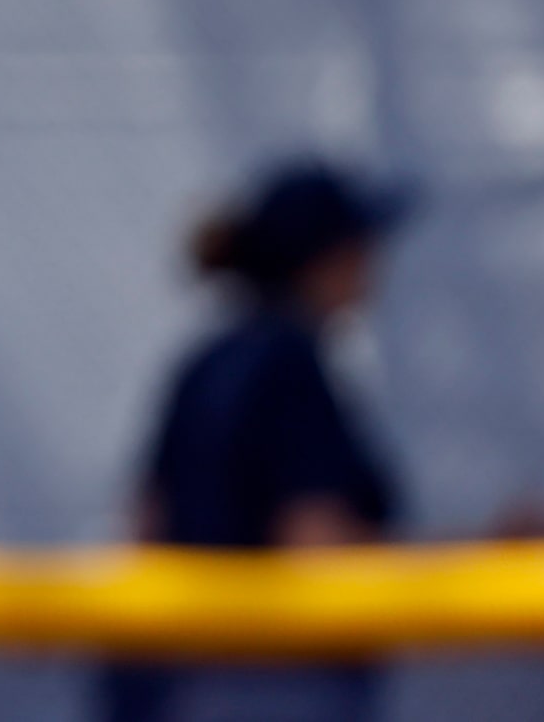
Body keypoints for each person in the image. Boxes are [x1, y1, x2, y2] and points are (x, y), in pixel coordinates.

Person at [101, 160, 410, 722]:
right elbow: (319, 552)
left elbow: (145, 526)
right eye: (361, 246)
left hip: (180, 684)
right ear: (327, 259)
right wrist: (470, 566)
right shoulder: (289, 364)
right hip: (271, 687)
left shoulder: (206, 361)